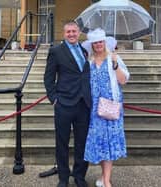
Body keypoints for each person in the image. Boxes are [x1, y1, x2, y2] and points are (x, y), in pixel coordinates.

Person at [44, 21, 91, 187]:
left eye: (74, 31)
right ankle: (63, 178)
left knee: (82, 143)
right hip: (63, 103)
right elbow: (48, 78)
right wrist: (54, 98)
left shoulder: (85, 51)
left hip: (83, 105)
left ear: (79, 33)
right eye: (68, 31)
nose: (71, 34)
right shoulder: (56, 51)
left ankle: (79, 176)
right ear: (64, 34)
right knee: (62, 143)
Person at [82, 28, 130, 187]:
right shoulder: (88, 62)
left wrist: (116, 65)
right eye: (95, 42)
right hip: (95, 109)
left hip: (111, 107)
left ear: (105, 43)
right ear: (92, 45)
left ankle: (107, 180)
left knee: (109, 142)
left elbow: (123, 81)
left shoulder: (113, 59)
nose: (98, 45)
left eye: (100, 41)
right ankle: (103, 177)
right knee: (101, 143)